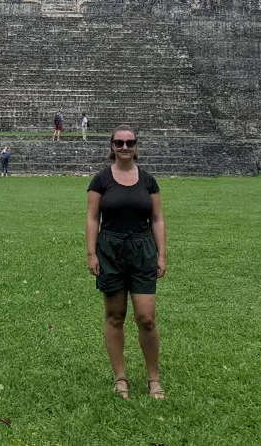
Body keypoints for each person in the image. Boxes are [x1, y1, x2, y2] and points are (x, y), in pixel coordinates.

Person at [86, 125, 166, 400]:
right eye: (118, 143)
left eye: (129, 143)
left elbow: (157, 219)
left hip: (142, 249)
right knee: (114, 315)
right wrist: (91, 253)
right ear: (111, 146)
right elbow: (92, 218)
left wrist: (162, 254)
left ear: (136, 146)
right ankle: (120, 378)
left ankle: (153, 379)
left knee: (146, 317)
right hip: (109, 248)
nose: (124, 148)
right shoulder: (100, 180)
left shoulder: (148, 181)